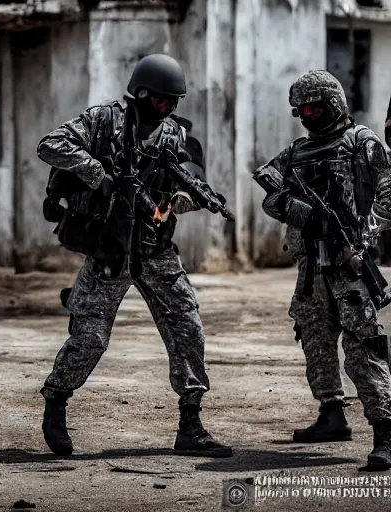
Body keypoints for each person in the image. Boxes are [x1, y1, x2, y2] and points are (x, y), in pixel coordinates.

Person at [37, 54, 232, 457]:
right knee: (90, 339)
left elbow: (194, 180)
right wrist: (99, 177)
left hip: (155, 249)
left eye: (172, 102)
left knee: (187, 329)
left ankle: (191, 424)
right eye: (160, 101)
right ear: (141, 93)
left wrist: (182, 199)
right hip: (111, 249)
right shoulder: (105, 121)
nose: (167, 108)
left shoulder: (174, 137)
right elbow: (50, 144)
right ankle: (56, 400)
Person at [253, 70, 391, 471]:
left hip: (350, 264)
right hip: (311, 266)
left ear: (333, 104)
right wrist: (296, 211)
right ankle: (331, 413)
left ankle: (384, 430)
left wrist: (362, 237)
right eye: (302, 110)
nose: (307, 116)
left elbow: (388, 192)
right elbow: (269, 188)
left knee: (363, 347)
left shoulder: (360, 142)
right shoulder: (297, 152)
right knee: (314, 339)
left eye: (314, 107)